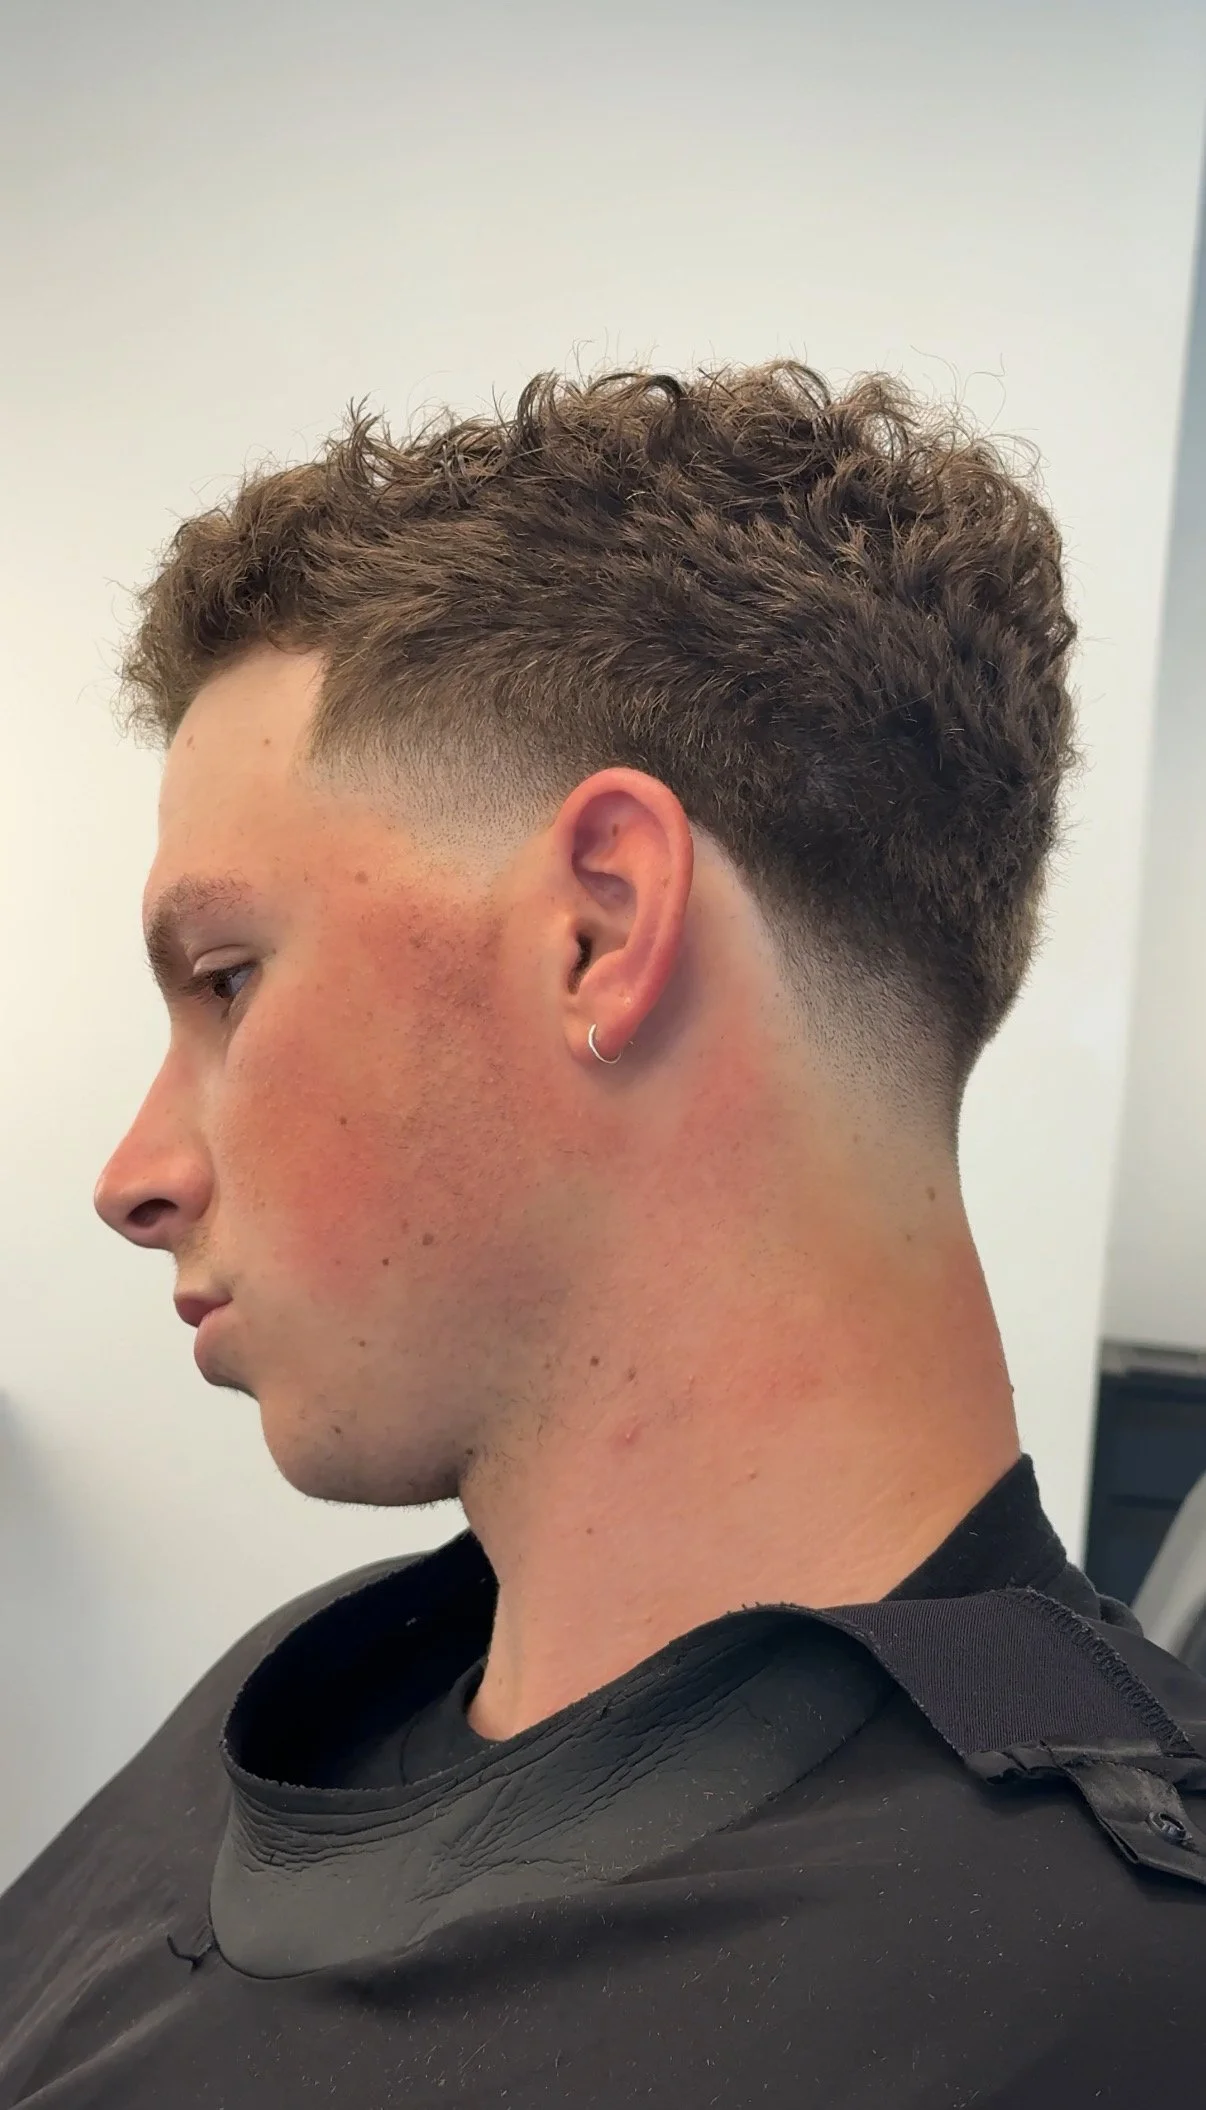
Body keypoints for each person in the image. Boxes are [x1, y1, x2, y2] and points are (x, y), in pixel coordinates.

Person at [2, 361, 1204, 2106]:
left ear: (599, 932)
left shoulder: (1121, 1998)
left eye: (228, 981)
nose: (134, 1172)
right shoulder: (298, 1694)